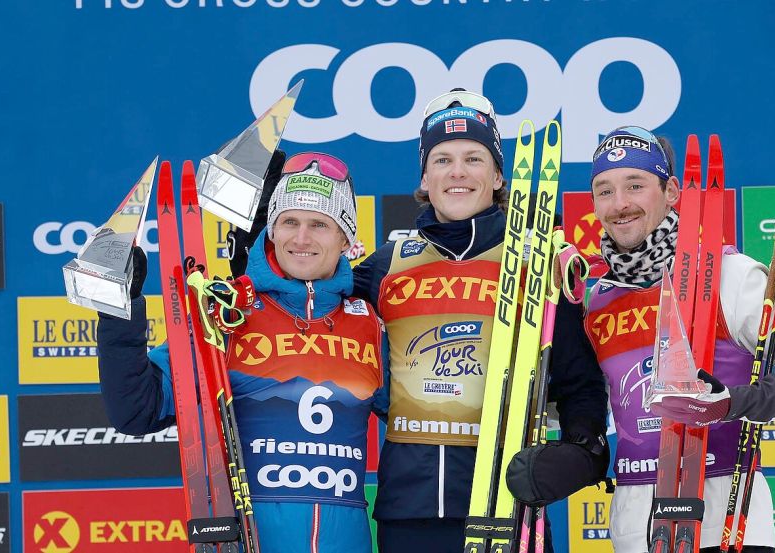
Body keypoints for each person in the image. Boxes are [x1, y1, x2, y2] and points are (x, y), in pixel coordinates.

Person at [351, 89, 610, 553]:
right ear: (425, 177)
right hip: (409, 512)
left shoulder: (539, 263)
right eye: (442, 159)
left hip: (511, 502)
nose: (458, 172)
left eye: (474, 158)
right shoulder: (385, 266)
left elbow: (580, 383)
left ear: (496, 175)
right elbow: (306, 312)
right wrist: (257, 242)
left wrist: (582, 451)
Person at [96, 152, 387, 552]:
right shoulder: (227, 313)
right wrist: (121, 312)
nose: (301, 239)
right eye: (289, 222)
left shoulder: (369, 323)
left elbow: (416, 414)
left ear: (346, 237)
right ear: (271, 230)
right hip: (249, 540)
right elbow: (138, 409)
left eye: (319, 224)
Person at [581, 126, 775, 553]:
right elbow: (579, 401)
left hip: (727, 522)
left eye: (635, 185)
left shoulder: (728, 274)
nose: (619, 203)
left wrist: (729, 404)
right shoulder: (597, 300)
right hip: (633, 529)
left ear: (670, 191)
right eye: (604, 190)